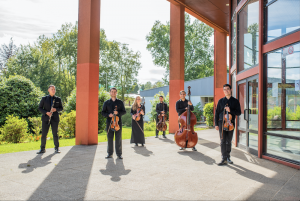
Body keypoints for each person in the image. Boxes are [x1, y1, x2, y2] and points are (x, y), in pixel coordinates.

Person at [215, 84, 241, 165]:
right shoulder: (220, 101)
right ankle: (223, 158)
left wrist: (230, 110)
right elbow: (216, 113)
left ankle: (228, 157)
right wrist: (216, 124)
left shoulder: (235, 101)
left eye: (228, 89)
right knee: (222, 141)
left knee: (228, 141)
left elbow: (239, 112)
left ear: (231, 89)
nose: (226, 91)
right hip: (222, 123)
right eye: (225, 89)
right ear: (223, 91)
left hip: (231, 123)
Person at [37, 85, 63, 154]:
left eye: (54, 89)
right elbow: (39, 108)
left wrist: (56, 109)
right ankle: (42, 149)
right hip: (46, 118)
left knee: (55, 134)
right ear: (48, 90)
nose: (53, 90)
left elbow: (61, 108)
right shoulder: (44, 98)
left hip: (55, 119)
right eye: (52, 89)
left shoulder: (58, 99)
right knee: (44, 134)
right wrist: (46, 112)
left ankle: (57, 148)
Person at [101, 87, 126, 159]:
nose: (113, 93)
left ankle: (119, 154)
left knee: (118, 138)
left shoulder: (120, 102)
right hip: (109, 122)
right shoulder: (106, 103)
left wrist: (118, 112)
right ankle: (110, 153)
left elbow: (124, 111)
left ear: (116, 93)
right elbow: (102, 112)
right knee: (110, 138)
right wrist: (108, 115)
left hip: (118, 123)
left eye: (114, 92)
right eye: (112, 92)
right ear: (110, 93)